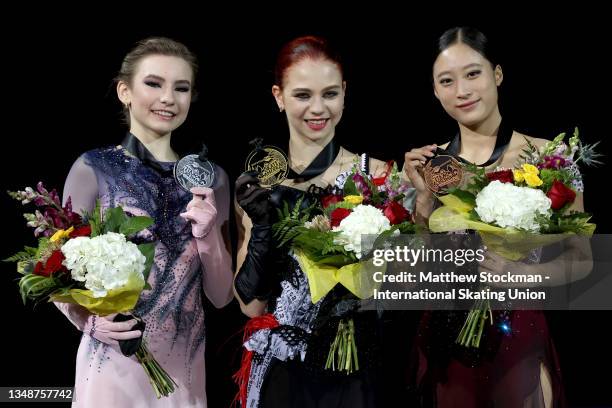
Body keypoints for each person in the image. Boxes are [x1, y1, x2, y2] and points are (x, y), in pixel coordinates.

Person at [404, 27, 592, 407]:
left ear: (498, 75)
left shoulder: (549, 158)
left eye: (473, 73)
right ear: (436, 91)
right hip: (446, 340)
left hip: (518, 336)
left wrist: (523, 275)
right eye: (447, 81)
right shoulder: (426, 166)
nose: (462, 90)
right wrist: (422, 201)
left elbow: (583, 260)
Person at [55, 37, 234, 407]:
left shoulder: (211, 178)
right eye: (154, 83)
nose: (168, 98)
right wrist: (87, 322)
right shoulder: (93, 169)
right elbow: (54, 269)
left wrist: (207, 236)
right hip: (110, 366)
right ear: (125, 91)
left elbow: (220, 296)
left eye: (181, 88)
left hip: (183, 371)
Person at [233, 35, 389, 408]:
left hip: (354, 365)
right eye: (303, 95)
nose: (318, 109)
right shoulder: (259, 186)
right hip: (283, 367)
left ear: (345, 93)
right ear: (278, 96)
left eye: (330, 94)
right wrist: (262, 224)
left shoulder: (378, 175)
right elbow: (250, 306)